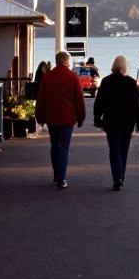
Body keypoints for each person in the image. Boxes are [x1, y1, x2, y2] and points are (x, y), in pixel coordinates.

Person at [35, 51, 85, 189]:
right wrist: (81, 118)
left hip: (52, 117)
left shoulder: (47, 77)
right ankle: (61, 178)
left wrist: (39, 116)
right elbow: (79, 100)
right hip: (68, 118)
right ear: (67, 61)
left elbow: (41, 98)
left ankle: (56, 173)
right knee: (65, 146)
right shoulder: (73, 77)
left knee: (54, 144)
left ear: (56, 61)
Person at [93, 55, 139, 190]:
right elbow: (137, 104)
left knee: (114, 149)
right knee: (124, 150)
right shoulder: (131, 82)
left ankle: (117, 178)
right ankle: (121, 176)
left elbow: (99, 102)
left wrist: (97, 119)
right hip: (127, 121)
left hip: (111, 121)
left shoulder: (106, 81)